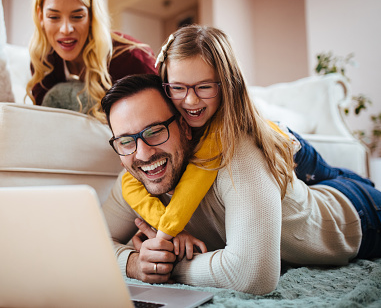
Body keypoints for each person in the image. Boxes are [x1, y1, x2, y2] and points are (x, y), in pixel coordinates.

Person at [100, 69, 381, 293]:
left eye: (154, 131)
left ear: (184, 125)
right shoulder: (133, 178)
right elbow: (92, 246)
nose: (143, 153)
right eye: (126, 141)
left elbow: (253, 275)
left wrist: (167, 265)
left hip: (357, 216)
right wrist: (136, 264)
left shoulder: (235, 151)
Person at [27, 0, 156, 121]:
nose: (66, 29)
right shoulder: (44, 63)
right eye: (54, 17)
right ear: (41, 16)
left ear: (91, 15)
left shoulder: (131, 59)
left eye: (77, 16)